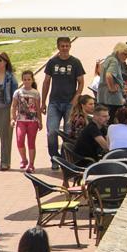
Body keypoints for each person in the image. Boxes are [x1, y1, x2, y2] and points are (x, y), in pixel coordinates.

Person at [40, 37, 85, 169]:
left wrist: (76, 98)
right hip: (54, 102)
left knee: (68, 132)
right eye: (62, 46)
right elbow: (46, 82)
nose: (65, 48)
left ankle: (65, 159)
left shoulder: (75, 62)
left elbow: (81, 82)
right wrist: (43, 102)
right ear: (58, 47)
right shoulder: (52, 62)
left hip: (70, 103)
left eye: (67, 46)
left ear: (70, 46)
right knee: (52, 132)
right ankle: (55, 158)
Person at [11, 69, 43, 172]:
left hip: (32, 121)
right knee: (20, 140)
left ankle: (31, 164)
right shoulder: (18, 92)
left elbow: (38, 108)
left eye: (29, 79)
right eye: (24, 79)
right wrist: (13, 118)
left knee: (31, 142)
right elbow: (13, 106)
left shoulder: (35, 93)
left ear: (32, 80)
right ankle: (24, 159)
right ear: (22, 80)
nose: (27, 81)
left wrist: (40, 121)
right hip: (21, 120)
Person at [96, 43, 127, 121]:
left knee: (104, 121)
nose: (126, 56)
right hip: (112, 99)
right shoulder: (114, 61)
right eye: (125, 54)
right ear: (118, 52)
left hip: (104, 97)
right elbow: (109, 75)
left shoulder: (109, 58)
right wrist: (112, 88)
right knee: (112, 120)